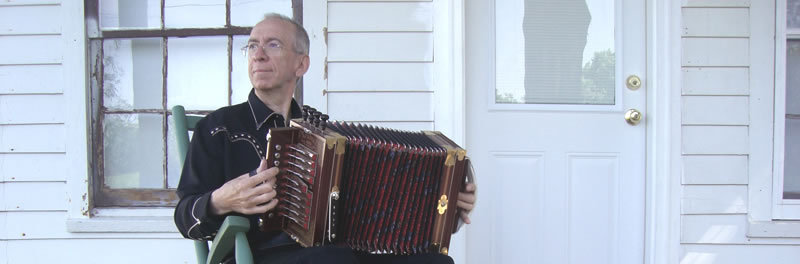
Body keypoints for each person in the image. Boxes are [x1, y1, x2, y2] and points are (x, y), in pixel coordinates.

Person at [174, 13, 477, 264]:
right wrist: (219, 201)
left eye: (273, 44)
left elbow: (378, 196)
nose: (259, 54)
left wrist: (449, 200)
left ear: (301, 64)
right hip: (260, 255)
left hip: (337, 253)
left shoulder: (326, 135)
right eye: (252, 46)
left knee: (435, 262)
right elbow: (184, 217)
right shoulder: (219, 128)